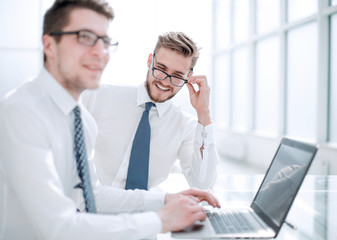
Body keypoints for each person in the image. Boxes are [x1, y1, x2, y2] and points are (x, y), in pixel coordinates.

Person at [0, 1, 220, 239]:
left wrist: (165, 199)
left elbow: (90, 194)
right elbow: (57, 225)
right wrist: (159, 220)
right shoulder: (23, 111)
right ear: (50, 45)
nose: (100, 52)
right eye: (84, 38)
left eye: (104, 42)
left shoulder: (80, 118)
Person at [82, 31, 219, 191]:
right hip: (96, 204)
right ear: (150, 60)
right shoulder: (100, 97)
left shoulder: (185, 126)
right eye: (161, 69)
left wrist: (204, 114)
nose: (165, 81)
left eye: (177, 76)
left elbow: (202, 184)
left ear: (189, 77)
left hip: (148, 212)